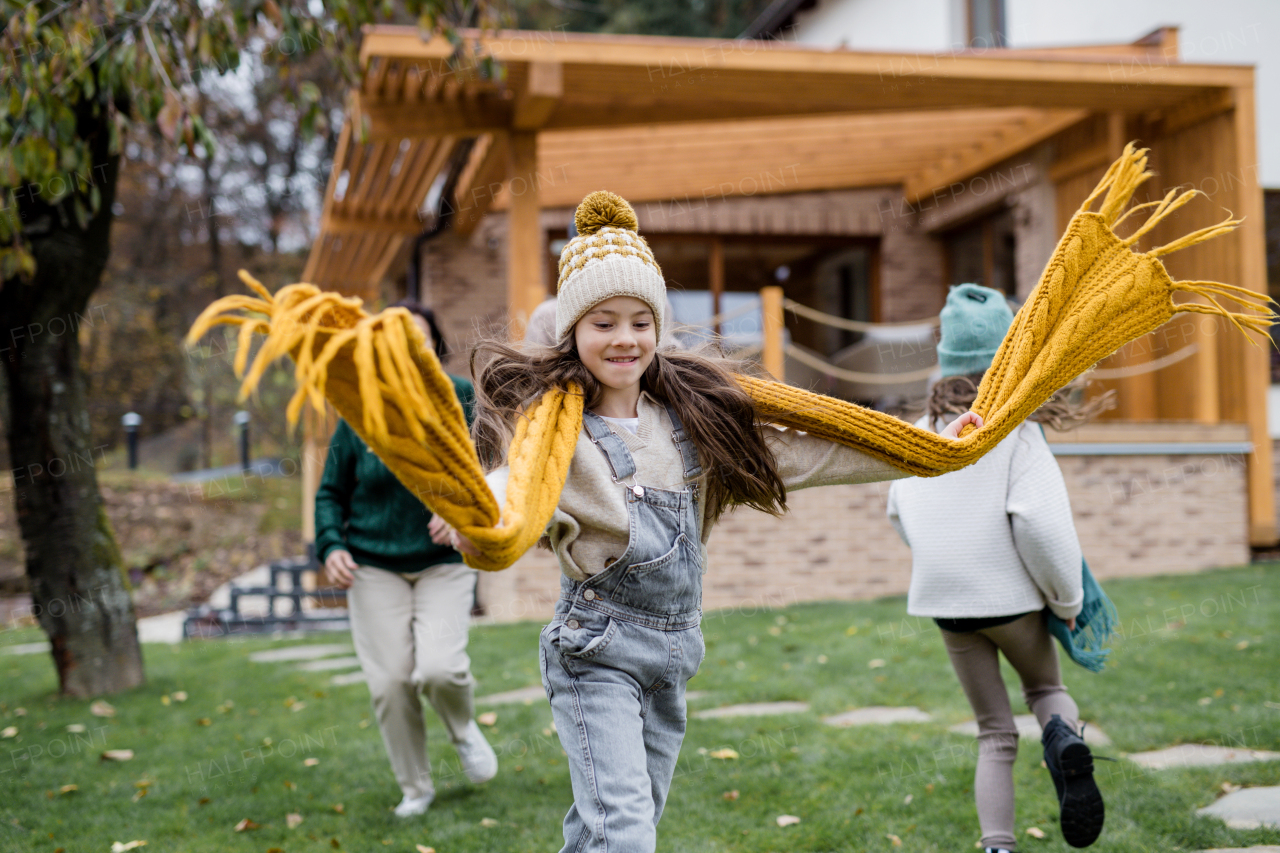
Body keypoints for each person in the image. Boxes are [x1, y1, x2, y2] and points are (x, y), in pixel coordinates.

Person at [433, 191, 981, 853]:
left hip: (672, 652)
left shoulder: (696, 422)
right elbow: (514, 486)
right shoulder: (558, 432)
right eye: (602, 321)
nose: (625, 337)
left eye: (640, 320)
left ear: (658, 327)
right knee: (624, 834)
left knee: (606, 828)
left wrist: (929, 439)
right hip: (595, 653)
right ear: (574, 331)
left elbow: (815, 449)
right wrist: (477, 516)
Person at [886, 283, 1105, 852]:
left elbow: (897, 509)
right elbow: (1042, 527)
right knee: (1046, 688)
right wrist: (1069, 604)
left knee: (993, 732)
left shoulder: (922, 431)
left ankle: (997, 847)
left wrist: (942, 555)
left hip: (945, 606)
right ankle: (1063, 741)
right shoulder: (1017, 434)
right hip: (1012, 603)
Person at [315, 300, 497, 819]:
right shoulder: (360, 411)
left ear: (433, 344)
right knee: (391, 683)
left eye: (415, 337)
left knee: (438, 670)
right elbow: (330, 491)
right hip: (374, 567)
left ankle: (463, 731)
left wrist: (463, 515)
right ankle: (415, 787)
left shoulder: (461, 399)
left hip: (445, 562)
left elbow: (494, 471)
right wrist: (331, 544)